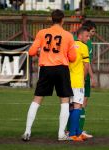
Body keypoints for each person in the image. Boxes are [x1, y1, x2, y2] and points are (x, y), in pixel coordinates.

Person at [22, 9, 76, 141]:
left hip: (46, 69)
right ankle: (61, 134)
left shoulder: (42, 33)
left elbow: (31, 52)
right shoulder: (68, 35)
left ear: (51, 19)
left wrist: (42, 52)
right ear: (62, 20)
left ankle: (27, 131)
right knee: (64, 101)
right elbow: (73, 57)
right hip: (61, 69)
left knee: (37, 99)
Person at [68, 26, 90, 141]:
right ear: (80, 36)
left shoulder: (70, 45)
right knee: (77, 107)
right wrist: (84, 78)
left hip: (68, 81)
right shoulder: (83, 47)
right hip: (77, 81)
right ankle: (72, 134)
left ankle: (77, 132)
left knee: (71, 107)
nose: (88, 38)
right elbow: (86, 66)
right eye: (87, 36)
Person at [79, 20, 96, 137]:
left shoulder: (76, 41)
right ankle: (79, 130)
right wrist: (92, 76)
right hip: (83, 77)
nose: (93, 34)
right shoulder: (87, 42)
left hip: (75, 75)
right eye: (92, 31)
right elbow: (87, 62)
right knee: (82, 103)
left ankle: (71, 129)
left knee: (74, 104)